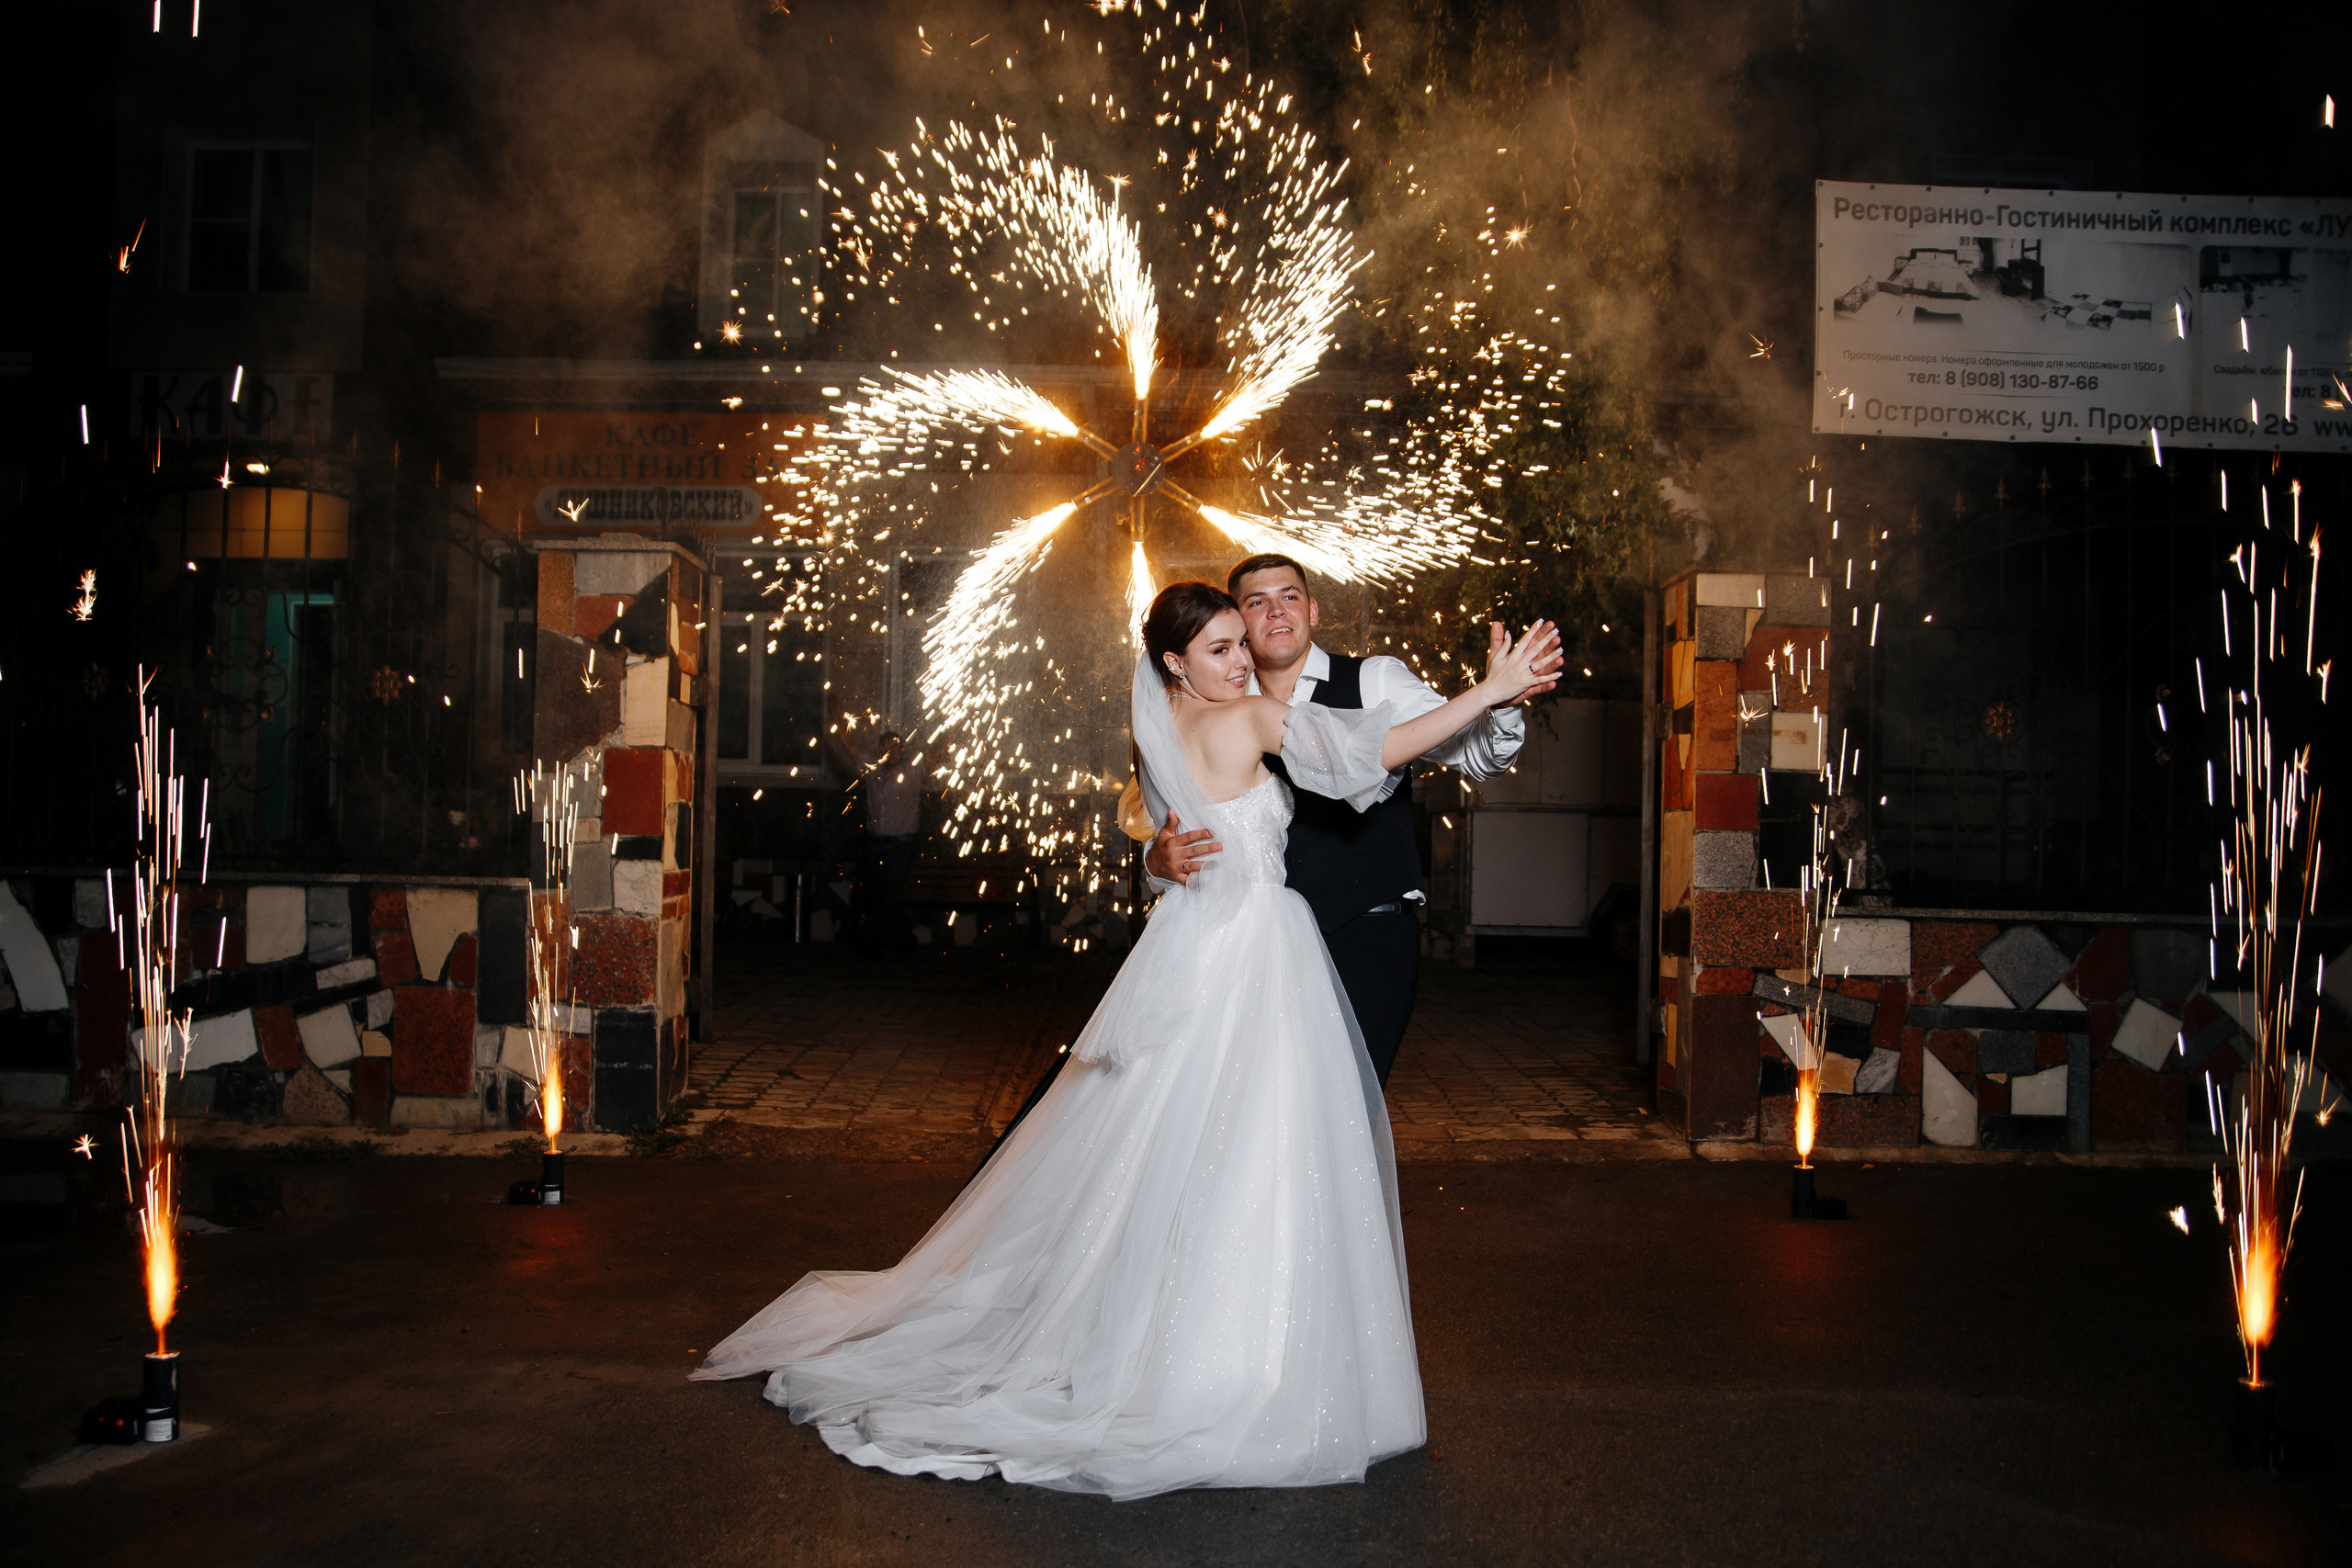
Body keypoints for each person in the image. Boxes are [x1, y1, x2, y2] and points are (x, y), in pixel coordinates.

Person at [693, 583, 1559, 1498]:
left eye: (1240, 645)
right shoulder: (1252, 719)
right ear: (1176, 663)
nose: (1241, 662)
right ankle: (1228, 1365)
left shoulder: (1162, 733)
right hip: (1254, 959)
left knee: (1174, 1155)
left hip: (1194, 951)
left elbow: (1160, 833)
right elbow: (1370, 749)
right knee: (1253, 1157)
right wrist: (1485, 691)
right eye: (1220, 648)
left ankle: (1163, 1341)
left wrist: (1155, 858)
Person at [1140, 554, 1559, 1084]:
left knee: (1346, 1105)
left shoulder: (1374, 679)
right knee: (1266, 1103)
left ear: (1313, 609)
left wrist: (1498, 704)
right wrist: (1157, 860)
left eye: (1289, 596)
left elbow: (1477, 758)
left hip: (1368, 928)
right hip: (1258, 944)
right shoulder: (1222, 704)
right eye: (1256, 602)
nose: (1276, 611)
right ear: (1234, 618)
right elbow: (1174, 828)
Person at [852, 729, 923, 952]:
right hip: (876, 842)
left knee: (890, 891)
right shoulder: (872, 768)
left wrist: (957, 725)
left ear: (901, 749)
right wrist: (834, 714)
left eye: (895, 747)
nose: (890, 752)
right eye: (886, 747)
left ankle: (876, 942)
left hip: (902, 844)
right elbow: (848, 745)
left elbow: (937, 752)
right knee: (878, 891)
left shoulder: (912, 770)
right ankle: (901, 941)